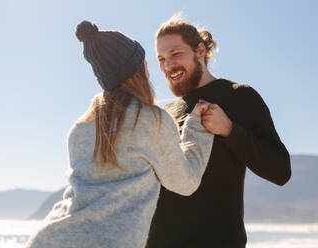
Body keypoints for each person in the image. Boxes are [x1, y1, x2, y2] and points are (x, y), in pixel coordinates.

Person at [25, 21, 214, 248]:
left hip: (48, 238)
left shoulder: (79, 128)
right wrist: (197, 127)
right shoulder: (151, 121)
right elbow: (186, 183)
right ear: (139, 71)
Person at [146, 14, 292, 248]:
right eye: (161, 59)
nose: (168, 66)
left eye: (175, 54)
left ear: (200, 51)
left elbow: (280, 170)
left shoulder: (239, 96)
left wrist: (230, 130)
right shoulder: (166, 112)